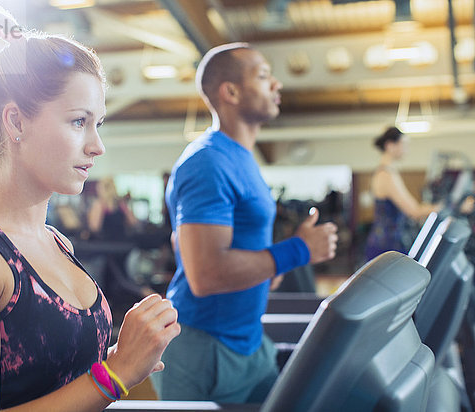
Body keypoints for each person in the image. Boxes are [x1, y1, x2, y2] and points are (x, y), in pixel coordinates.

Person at [0, 4, 179, 411]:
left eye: (97, 124)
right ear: (16, 122)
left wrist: (130, 357)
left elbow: (53, 379)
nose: (97, 146)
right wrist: (116, 373)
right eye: (78, 122)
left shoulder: (57, 243)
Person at [150, 42, 338, 403]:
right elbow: (205, 275)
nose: (276, 85)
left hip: (250, 342)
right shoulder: (207, 162)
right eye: (264, 76)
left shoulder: (242, 160)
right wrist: (299, 248)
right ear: (231, 92)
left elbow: (257, 264)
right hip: (202, 346)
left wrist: (291, 254)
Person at [364, 126, 441, 261]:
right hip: (386, 248)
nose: (407, 149)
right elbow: (414, 211)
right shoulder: (386, 175)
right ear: (390, 146)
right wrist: (443, 207)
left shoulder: (389, 172)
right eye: (403, 144)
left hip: (391, 244)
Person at [87, 176, 137, 241]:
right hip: (122, 242)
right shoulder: (121, 204)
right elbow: (133, 222)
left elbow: (94, 227)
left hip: (105, 243)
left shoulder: (99, 205)